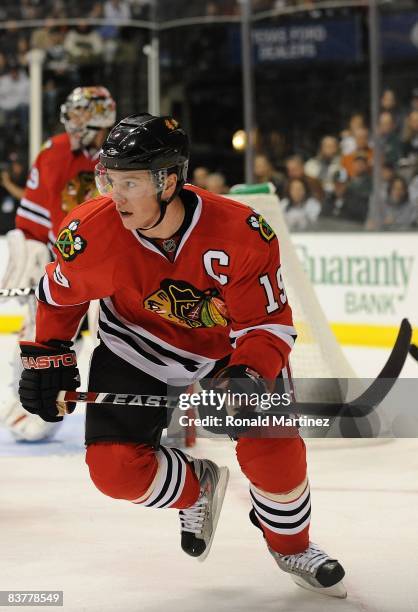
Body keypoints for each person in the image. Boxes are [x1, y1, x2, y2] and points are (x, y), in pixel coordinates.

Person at [17, 113, 346, 597]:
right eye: (110, 179)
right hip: (136, 346)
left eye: (129, 182)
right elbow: (58, 295)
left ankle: (291, 545)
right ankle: (198, 488)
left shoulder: (241, 233)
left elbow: (268, 325)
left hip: (230, 354)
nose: (114, 194)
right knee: (113, 472)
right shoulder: (91, 233)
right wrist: (49, 355)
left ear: (168, 181)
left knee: (274, 455)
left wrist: (250, 374)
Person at [0, 85, 116, 442]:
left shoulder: (119, 153)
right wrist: (36, 256)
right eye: (73, 111)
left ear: (101, 116)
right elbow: (35, 223)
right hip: (65, 261)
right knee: (48, 335)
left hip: (113, 257)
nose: (74, 119)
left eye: (83, 112)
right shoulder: (57, 152)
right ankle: (33, 404)